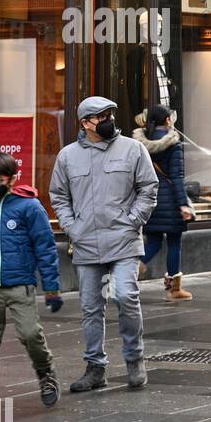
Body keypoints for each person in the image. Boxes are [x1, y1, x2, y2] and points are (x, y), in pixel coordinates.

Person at [50, 96, 158, 391]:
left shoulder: (133, 149)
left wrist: (134, 219)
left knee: (125, 296)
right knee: (90, 308)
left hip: (124, 240)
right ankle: (95, 367)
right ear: (85, 123)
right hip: (86, 244)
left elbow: (148, 187)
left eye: (111, 113)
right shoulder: (68, 156)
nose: (109, 119)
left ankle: (135, 360)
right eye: (101, 116)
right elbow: (58, 195)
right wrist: (72, 227)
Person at [0, 153, 63, 422]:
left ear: (12, 178)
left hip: (20, 285)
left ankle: (46, 374)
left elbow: (46, 248)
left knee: (30, 334)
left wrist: (51, 288)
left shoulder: (29, 208)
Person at [133, 105, 195, 300]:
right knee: (174, 243)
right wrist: (183, 204)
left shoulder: (139, 144)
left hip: (148, 199)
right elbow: (176, 177)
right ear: (168, 120)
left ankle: (128, 273)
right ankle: (174, 290)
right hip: (170, 200)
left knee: (153, 242)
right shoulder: (173, 143)